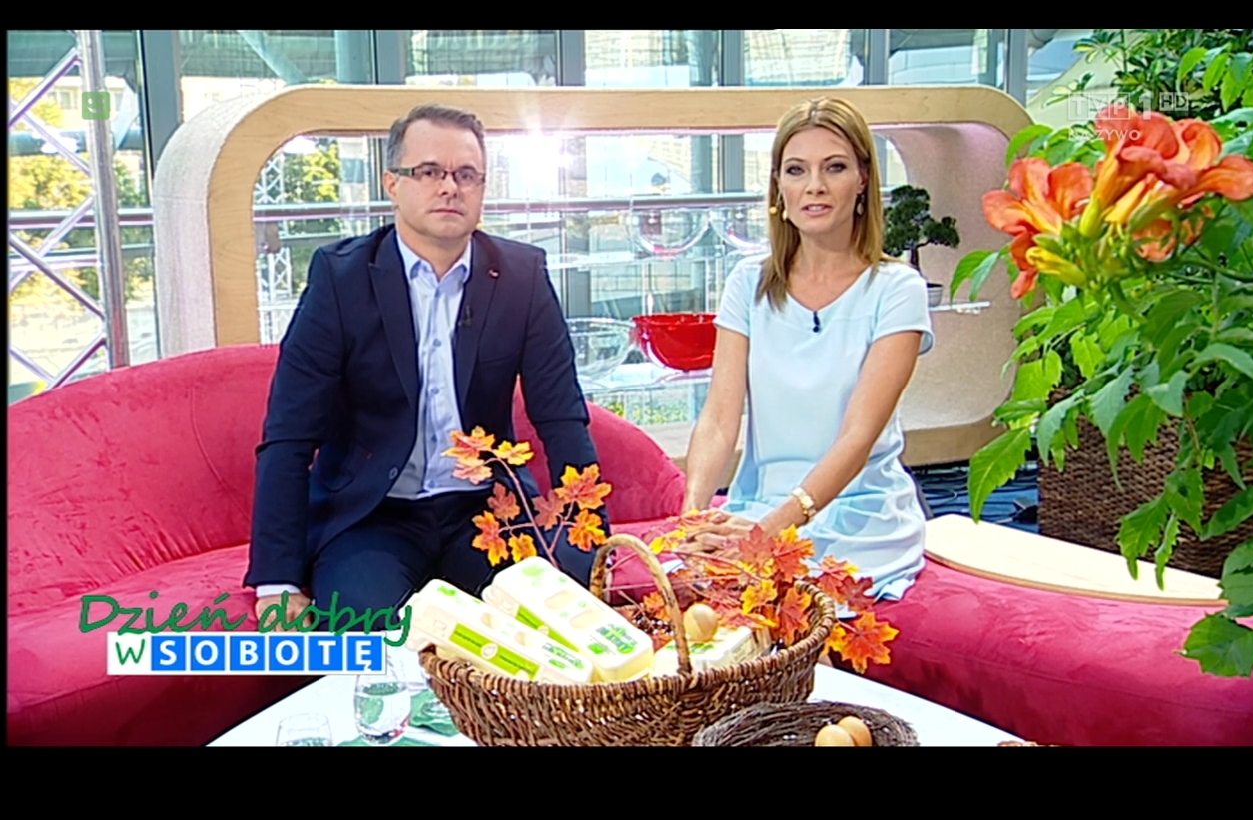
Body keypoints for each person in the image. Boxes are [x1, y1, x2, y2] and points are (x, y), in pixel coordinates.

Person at [245, 103, 607, 631]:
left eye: (466, 175)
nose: (450, 188)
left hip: (489, 510)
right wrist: (277, 581)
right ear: (393, 184)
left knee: (559, 613)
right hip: (373, 516)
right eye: (430, 172)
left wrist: (591, 537)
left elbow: (561, 416)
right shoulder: (341, 279)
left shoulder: (521, 276)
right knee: (364, 626)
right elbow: (289, 434)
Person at [680, 96, 934, 606]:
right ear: (779, 186)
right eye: (797, 170)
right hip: (760, 507)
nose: (814, 186)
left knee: (784, 608)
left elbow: (858, 437)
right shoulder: (748, 283)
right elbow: (719, 419)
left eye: (834, 167)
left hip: (859, 520)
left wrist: (770, 534)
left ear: (863, 179)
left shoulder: (897, 289)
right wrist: (693, 518)